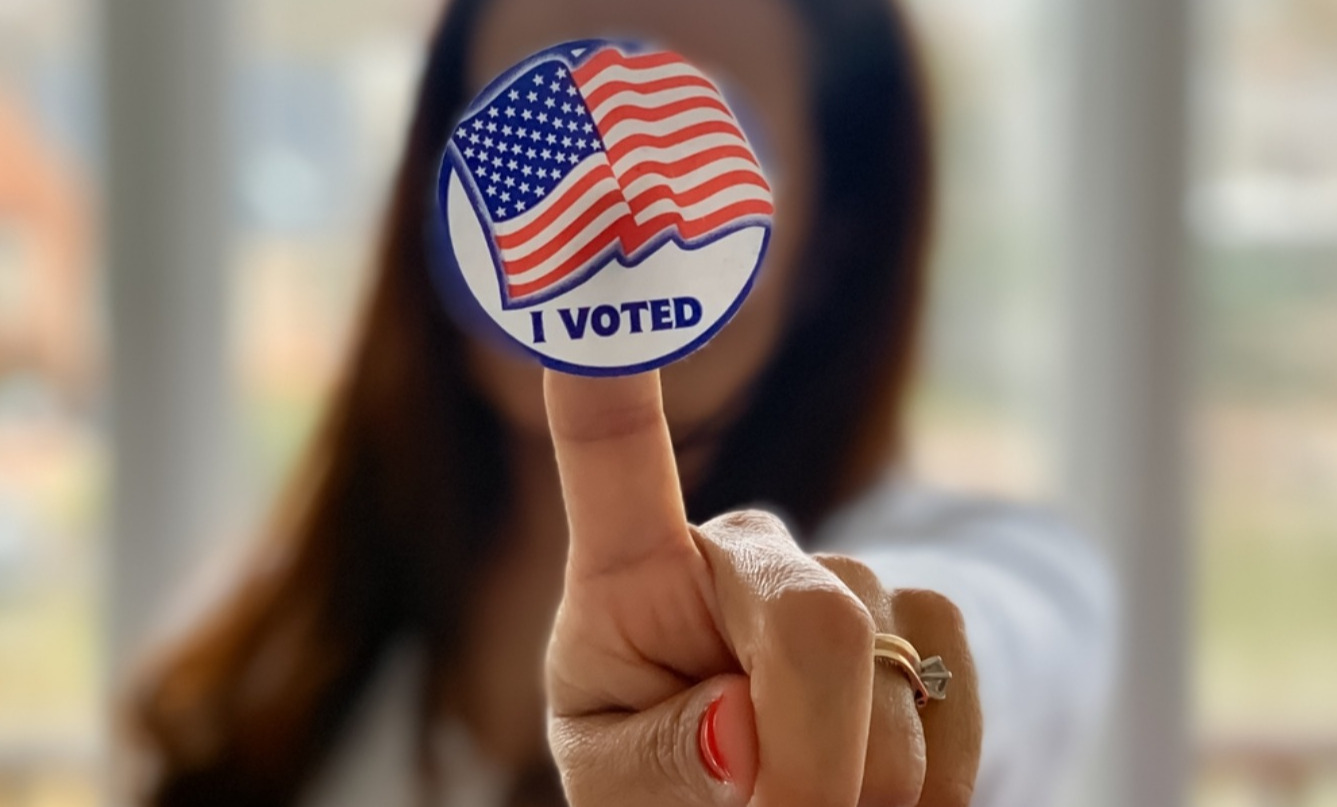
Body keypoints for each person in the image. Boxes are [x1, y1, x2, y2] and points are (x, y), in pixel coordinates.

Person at [126, 0, 1115, 805]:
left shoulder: (1001, 558)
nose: (601, 217)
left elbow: (1003, 638)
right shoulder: (284, 628)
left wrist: (855, 661)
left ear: (830, 239)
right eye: (541, 133)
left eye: (691, 137)